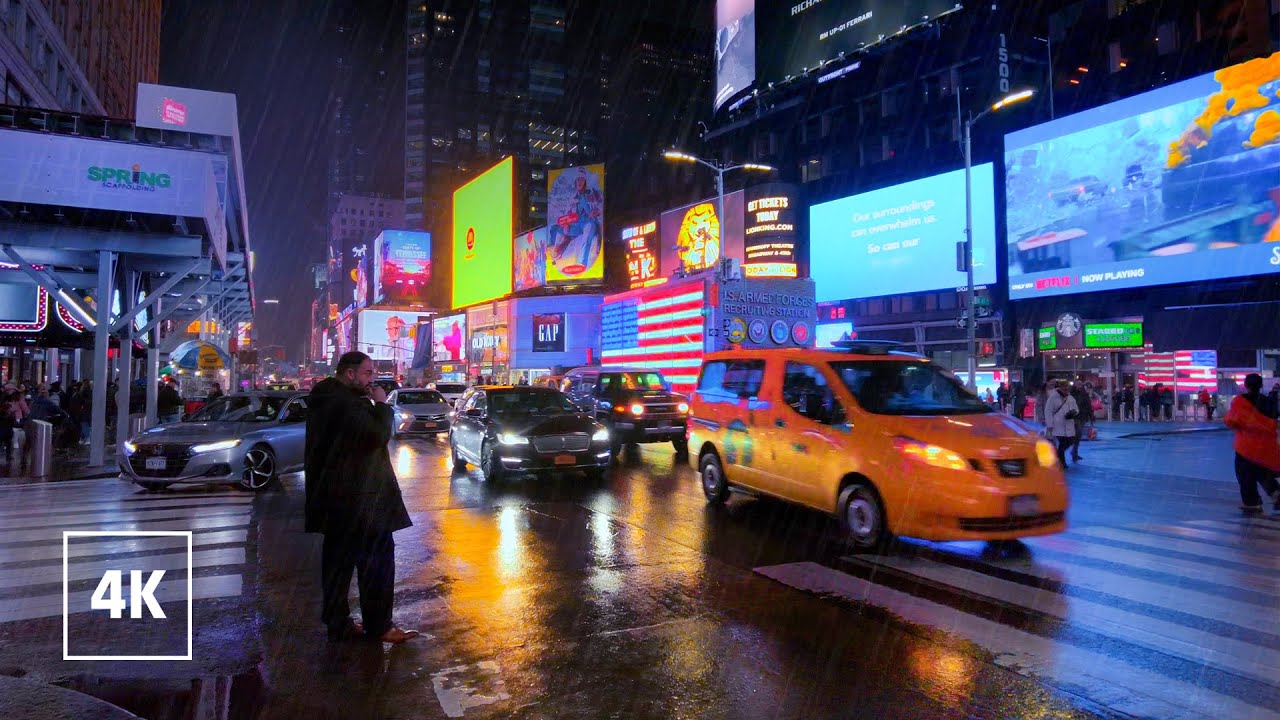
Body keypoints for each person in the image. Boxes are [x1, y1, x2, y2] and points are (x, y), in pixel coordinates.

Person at [305, 351, 419, 644]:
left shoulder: (327, 399)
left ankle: (338, 622)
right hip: (362, 500)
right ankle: (379, 626)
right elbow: (377, 435)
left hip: (337, 499)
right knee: (377, 565)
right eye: (367, 373)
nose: (372, 379)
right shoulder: (345, 404)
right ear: (350, 373)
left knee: (338, 565)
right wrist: (382, 404)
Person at [1224, 374, 1280, 514]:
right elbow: (1274, 420)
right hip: (1266, 444)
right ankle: (1277, 495)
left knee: (1245, 474)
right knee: (1262, 471)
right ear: (1261, 385)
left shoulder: (1240, 401)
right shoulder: (1269, 402)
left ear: (1246, 385)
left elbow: (1232, 420)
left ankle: (1252, 502)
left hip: (1246, 445)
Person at [1044, 381, 1080, 468]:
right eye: (1064, 389)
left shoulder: (1070, 398)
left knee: (1070, 440)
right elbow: (1048, 411)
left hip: (1068, 424)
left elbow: (1076, 408)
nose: (1066, 390)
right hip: (1058, 425)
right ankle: (1062, 463)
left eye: (1067, 389)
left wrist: (1073, 413)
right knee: (1062, 443)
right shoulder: (1053, 398)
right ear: (1060, 388)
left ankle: (1059, 458)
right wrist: (1050, 425)